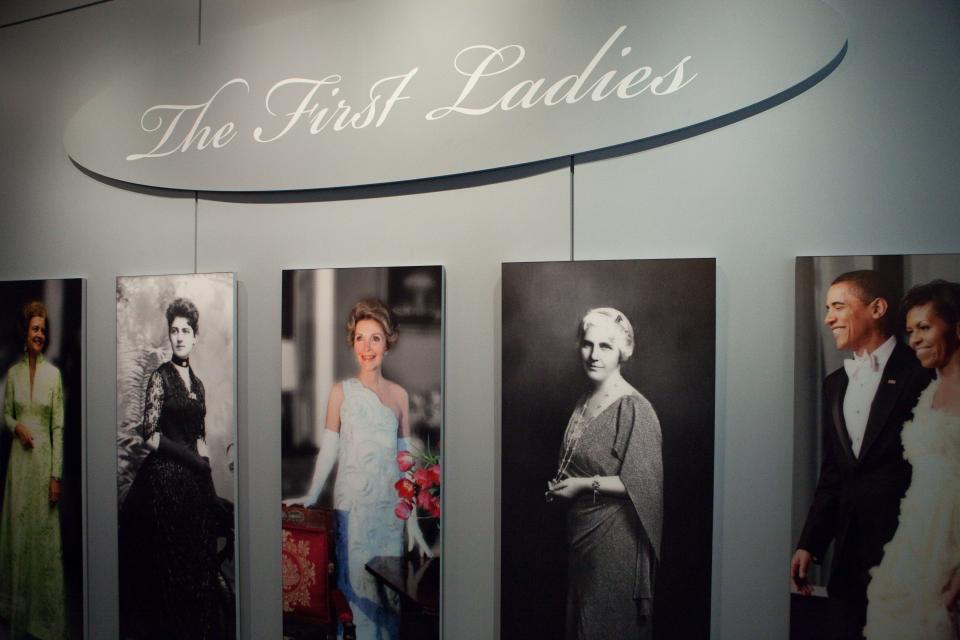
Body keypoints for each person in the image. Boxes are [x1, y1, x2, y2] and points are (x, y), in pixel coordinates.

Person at [791, 270, 932, 639]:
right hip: (848, 558)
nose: (828, 319)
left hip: (910, 551)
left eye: (838, 306)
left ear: (877, 308)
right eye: (826, 308)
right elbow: (834, 472)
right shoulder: (834, 383)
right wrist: (810, 542)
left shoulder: (921, 372)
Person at [292, 298, 430, 640]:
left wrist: (412, 520)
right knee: (353, 596)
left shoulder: (399, 396)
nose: (366, 347)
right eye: (359, 338)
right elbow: (330, 449)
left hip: (389, 514)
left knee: (388, 600)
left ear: (388, 343)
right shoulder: (342, 393)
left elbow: (406, 461)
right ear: (352, 342)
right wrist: (311, 493)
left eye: (375, 338)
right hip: (351, 509)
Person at [545, 307, 663, 640]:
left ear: (624, 351)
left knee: (605, 625)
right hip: (581, 535)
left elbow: (643, 483)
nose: (594, 355)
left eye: (606, 347)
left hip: (616, 538)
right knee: (581, 622)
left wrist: (580, 484)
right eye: (588, 344)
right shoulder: (584, 400)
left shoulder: (634, 408)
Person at [118, 297, 225, 639]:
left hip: (193, 481)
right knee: (168, 565)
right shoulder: (160, 378)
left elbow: (201, 438)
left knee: (199, 557)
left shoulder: (200, 384)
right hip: (162, 478)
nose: (179, 337)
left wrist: (205, 472)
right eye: (174, 330)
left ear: (195, 337)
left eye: (186, 331)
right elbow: (149, 435)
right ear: (170, 335)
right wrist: (191, 459)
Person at [864, 279, 960, 639]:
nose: (914, 340)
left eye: (924, 328)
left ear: (957, 328)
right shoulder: (928, 392)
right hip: (914, 540)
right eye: (909, 331)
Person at [0, 301, 67, 640]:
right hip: (18, 464)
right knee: (18, 532)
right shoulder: (11, 375)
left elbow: (59, 429)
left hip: (42, 465)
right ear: (25, 334)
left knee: (42, 537)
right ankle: (18, 615)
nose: (39, 334)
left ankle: (44, 621)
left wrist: (56, 477)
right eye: (34, 329)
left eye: (43, 329)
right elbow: (4, 414)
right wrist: (16, 427)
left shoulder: (53, 376)